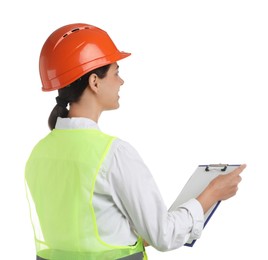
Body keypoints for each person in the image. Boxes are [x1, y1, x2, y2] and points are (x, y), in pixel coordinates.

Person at [24, 23, 246, 260]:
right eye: (116, 72)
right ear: (94, 82)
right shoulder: (113, 154)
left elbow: (85, 233)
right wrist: (212, 193)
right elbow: (165, 236)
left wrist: (137, 231)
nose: (121, 82)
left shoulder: (38, 153)